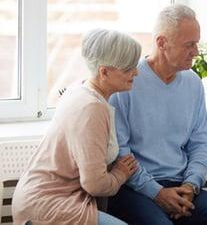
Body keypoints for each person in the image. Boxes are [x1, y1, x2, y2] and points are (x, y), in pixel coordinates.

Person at [107, 4, 207, 225]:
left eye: (197, 43)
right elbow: (120, 152)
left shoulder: (193, 83)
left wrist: (191, 185)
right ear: (162, 43)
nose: (197, 52)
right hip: (135, 189)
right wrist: (157, 192)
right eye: (189, 45)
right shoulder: (127, 82)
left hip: (181, 184)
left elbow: (200, 143)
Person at [12, 29, 142, 225]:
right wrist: (120, 174)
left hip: (47, 197)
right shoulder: (92, 108)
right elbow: (95, 184)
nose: (136, 72)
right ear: (104, 72)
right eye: (128, 68)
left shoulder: (81, 88)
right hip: (47, 205)